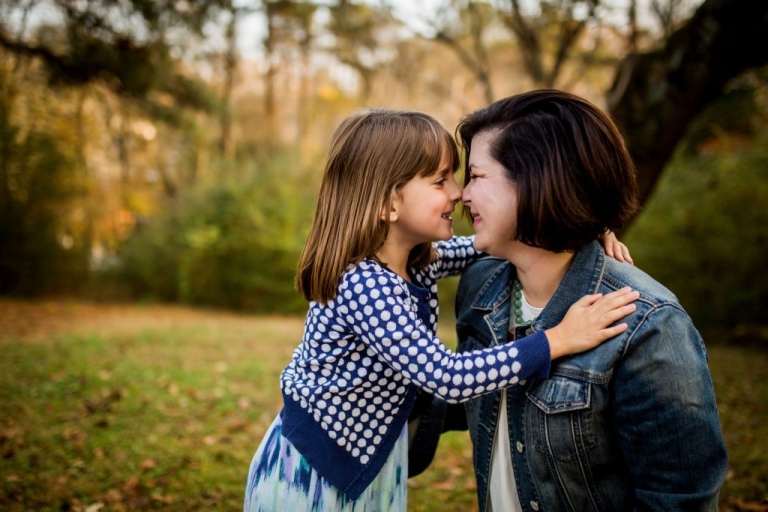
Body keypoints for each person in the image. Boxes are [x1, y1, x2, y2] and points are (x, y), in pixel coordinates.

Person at [243, 108, 639, 511]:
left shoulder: (418, 259)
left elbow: (488, 243)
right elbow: (447, 377)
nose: (458, 192)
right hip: (313, 471)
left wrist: (580, 225)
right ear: (388, 204)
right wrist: (556, 340)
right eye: (440, 180)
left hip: (363, 458)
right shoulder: (365, 284)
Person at [438, 89, 728, 511]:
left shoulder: (646, 326)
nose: (463, 195)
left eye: (477, 176)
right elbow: (454, 403)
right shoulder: (481, 286)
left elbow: (679, 499)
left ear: (537, 179)